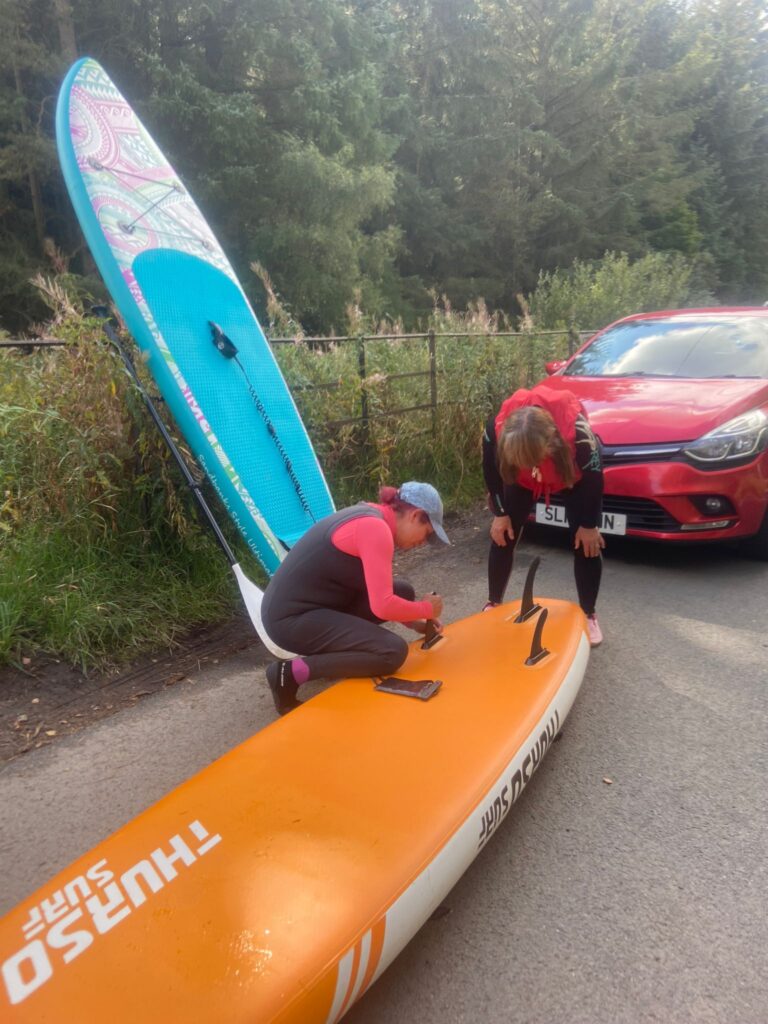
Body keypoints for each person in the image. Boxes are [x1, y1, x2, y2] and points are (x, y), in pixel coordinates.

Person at [260, 481, 449, 715]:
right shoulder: (375, 530)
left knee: (403, 591)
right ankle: (289, 674)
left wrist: (415, 622)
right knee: (391, 652)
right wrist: (426, 609)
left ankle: (331, 654)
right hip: (290, 621)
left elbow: (376, 591)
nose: (423, 543)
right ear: (415, 515)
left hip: (311, 607)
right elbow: (382, 606)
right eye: (427, 534)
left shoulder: (373, 516)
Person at [482, 383, 605, 646]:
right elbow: (491, 472)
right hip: (523, 481)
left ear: (550, 443)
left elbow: (594, 478)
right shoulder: (496, 428)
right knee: (503, 534)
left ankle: (588, 613)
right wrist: (500, 513)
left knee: (586, 544)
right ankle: (493, 602)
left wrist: (589, 525)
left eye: (530, 459)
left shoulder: (579, 432)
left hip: (571, 476)